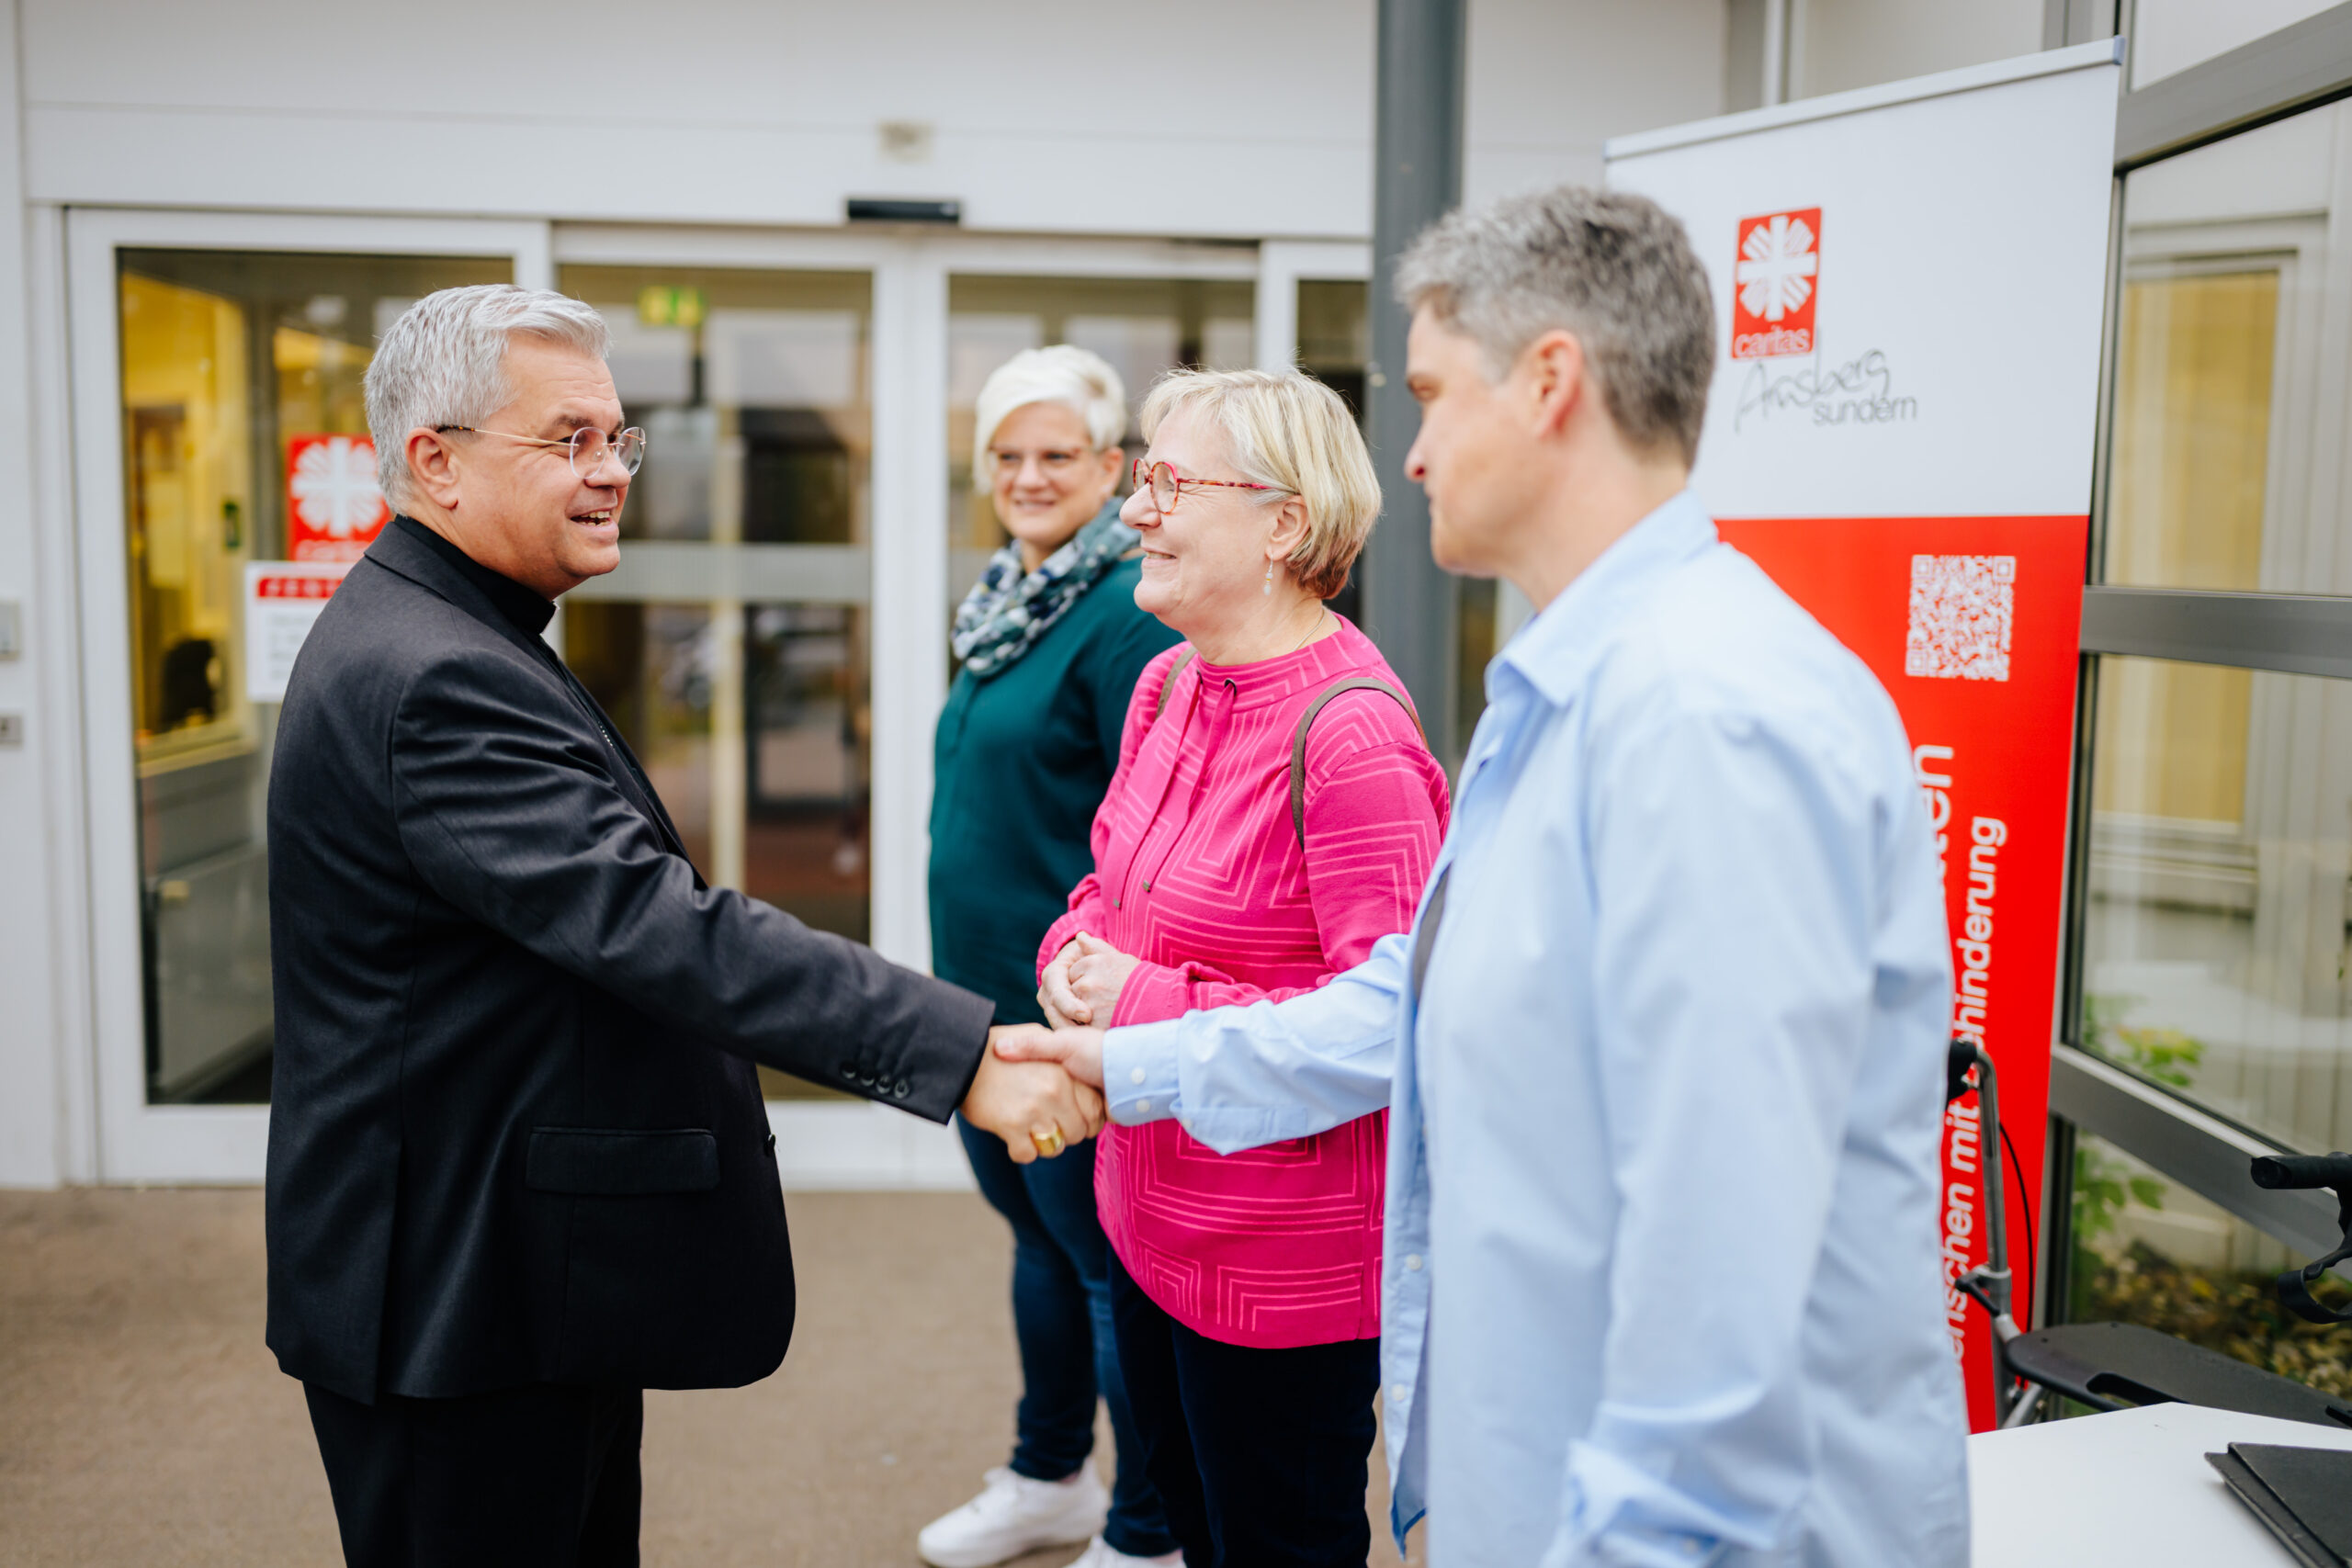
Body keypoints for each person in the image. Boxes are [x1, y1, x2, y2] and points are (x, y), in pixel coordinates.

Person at [1000, 186, 1971, 1566]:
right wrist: (1128, 1061)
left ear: (1552, 385)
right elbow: (1426, 1011)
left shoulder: (1711, 721)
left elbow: (1725, 1268)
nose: (1409, 457)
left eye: (1436, 395)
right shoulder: (1580, 690)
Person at [265, 284, 1102, 1568]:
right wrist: (964, 1055)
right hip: (456, 1301)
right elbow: (657, 927)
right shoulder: (434, 672)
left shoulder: (462, 630)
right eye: (569, 442)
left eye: (619, 439)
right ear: (431, 461)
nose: (610, 474)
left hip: (515, 1279)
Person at [1032, 367, 1449, 1568]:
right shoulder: (1170, 683)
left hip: (1281, 1278)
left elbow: (1391, 1031)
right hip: (1149, 1224)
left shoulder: (1355, 732)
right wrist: (1069, 959)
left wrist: (1135, 1006)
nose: (1133, 513)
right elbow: (1102, 890)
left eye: (1168, 482)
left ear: (1282, 522)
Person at [918, 347, 1183, 1568]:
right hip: (980, 1008)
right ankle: (1050, 1476)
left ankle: (1145, 1531)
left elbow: (1152, 826)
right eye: (1009, 457)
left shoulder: (1120, 615)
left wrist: (1096, 1007)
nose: (1030, 476)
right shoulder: (1003, 601)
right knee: (1040, 1243)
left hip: (1062, 1014)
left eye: (1058, 456)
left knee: (1101, 1268)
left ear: (1113, 469)